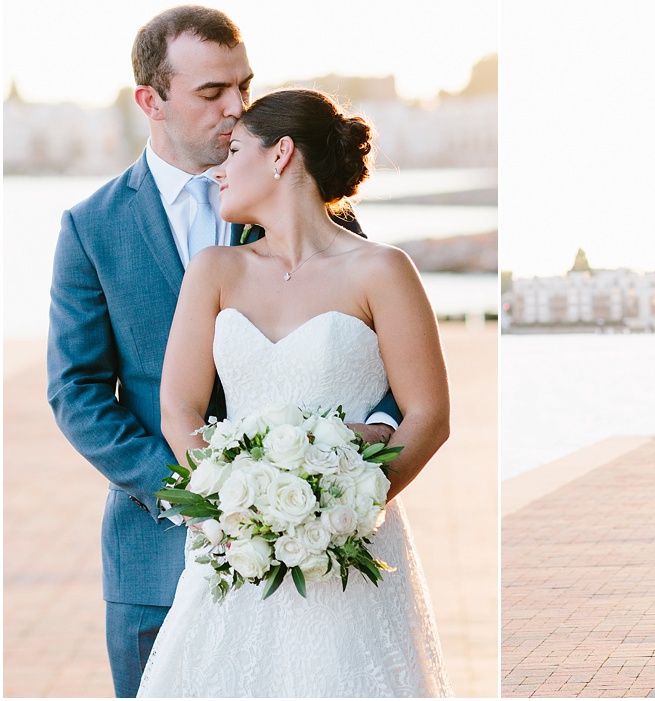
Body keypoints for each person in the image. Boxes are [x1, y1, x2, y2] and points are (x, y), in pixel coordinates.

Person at [46, 6, 397, 698]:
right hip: (155, 560)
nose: (238, 109)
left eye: (245, 85)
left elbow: (374, 352)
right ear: (151, 101)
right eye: (212, 93)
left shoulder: (311, 203)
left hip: (311, 558)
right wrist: (197, 495)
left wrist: (361, 452)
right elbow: (77, 391)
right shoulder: (92, 228)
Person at [136, 88, 452, 697]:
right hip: (234, 550)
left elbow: (429, 415)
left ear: (281, 154)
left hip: (351, 544)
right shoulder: (214, 271)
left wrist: (344, 510)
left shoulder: (383, 270)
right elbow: (179, 408)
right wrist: (235, 507)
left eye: (232, 151)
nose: (216, 170)